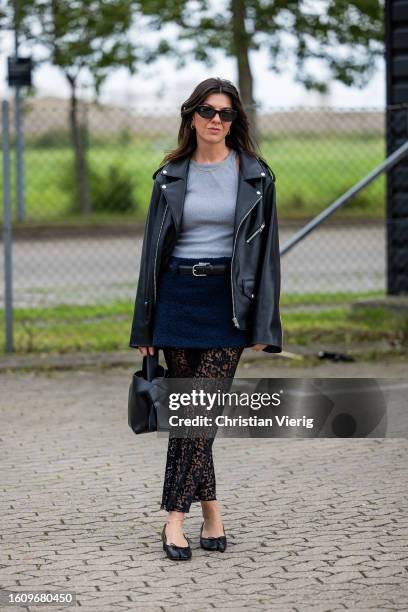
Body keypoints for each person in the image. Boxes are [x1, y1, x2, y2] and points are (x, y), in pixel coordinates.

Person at [129, 76, 282, 561]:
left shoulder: (256, 176)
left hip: (228, 305)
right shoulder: (170, 175)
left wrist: (264, 323)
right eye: (208, 111)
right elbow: (150, 255)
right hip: (176, 299)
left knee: (199, 412)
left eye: (227, 113)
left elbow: (268, 259)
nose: (217, 120)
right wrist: (144, 327)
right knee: (191, 413)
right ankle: (211, 511)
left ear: (236, 121)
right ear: (191, 116)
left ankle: (174, 518)